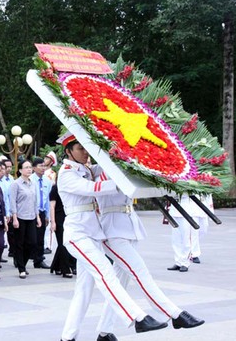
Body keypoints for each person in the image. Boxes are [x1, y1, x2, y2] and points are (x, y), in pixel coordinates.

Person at [57, 132, 167, 341]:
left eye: (86, 148)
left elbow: (111, 166)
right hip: (78, 234)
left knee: (83, 291)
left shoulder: (87, 169)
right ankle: (137, 318)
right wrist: (120, 183)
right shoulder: (66, 173)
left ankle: (68, 337)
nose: (85, 153)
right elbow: (93, 189)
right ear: (68, 151)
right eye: (80, 148)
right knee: (105, 272)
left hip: (93, 235)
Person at [95, 176, 205, 341]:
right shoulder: (103, 171)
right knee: (140, 272)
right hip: (112, 230)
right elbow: (121, 186)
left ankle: (104, 331)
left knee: (120, 284)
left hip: (128, 226)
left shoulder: (120, 167)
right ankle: (174, 314)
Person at [9, 160, 40, 279]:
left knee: (32, 242)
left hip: (31, 216)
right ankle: (21, 268)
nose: (29, 169)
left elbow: (35, 201)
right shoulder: (16, 184)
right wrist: (15, 218)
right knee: (19, 243)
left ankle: (24, 263)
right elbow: (13, 202)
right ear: (20, 170)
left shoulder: (33, 183)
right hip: (20, 217)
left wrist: (37, 217)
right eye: (26, 167)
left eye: (30, 167)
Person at [168, 194, 212, 272]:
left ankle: (185, 262)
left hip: (189, 209)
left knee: (187, 238)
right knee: (176, 239)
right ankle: (178, 262)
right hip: (175, 207)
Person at [48, 183, 75, 278]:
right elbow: (52, 206)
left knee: (64, 244)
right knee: (62, 244)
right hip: (59, 219)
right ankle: (65, 269)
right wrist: (53, 222)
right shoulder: (55, 188)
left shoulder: (70, 187)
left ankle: (56, 266)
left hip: (69, 217)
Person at [31, 157, 52, 269]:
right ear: (34, 168)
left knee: (40, 237)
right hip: (30, 212)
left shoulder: (47, 181)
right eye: (40, 166)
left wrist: (48, 215)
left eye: (44, 166)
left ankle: (38, 260)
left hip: (42, 211)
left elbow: (48, 199)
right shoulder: (30, 180)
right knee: (30, 238)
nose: (43, 168)